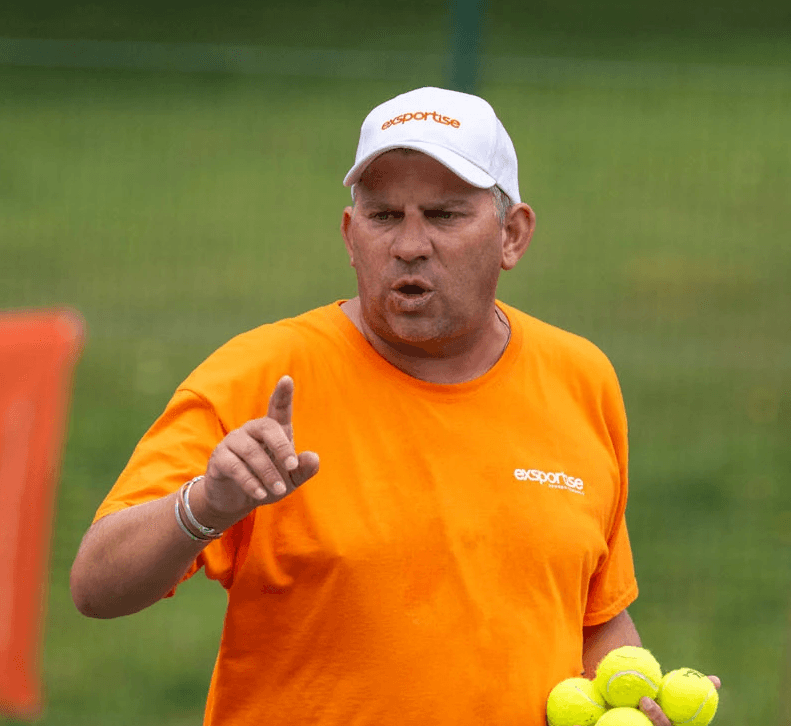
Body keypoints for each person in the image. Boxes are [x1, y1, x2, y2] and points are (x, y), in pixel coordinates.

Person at [70, 86, 719, 726]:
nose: (409, 244)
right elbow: (97, 584)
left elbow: (594, 616)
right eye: (384, 216)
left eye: (443, 215)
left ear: (512, 235)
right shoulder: (262, 376)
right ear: (351, 236)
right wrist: (206, 505)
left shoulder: (580, 377)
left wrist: (636, 706)